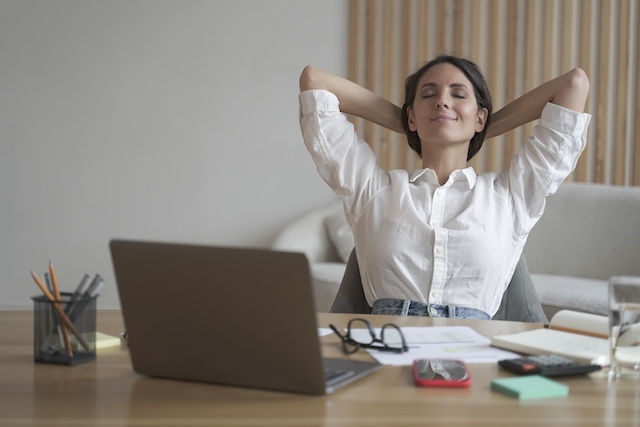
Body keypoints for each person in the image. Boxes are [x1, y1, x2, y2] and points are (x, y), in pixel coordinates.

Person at [298, 54, 591, 319]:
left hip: (475, 353)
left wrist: (477, 128)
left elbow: (574, 84)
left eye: (458, 94)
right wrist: (426, 122)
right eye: (429, 95)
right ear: (410, 116)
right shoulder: (373, 190)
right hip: (387, 348)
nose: (442, 101)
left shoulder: (510, 196)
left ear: (481, 117)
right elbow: (314, 81)